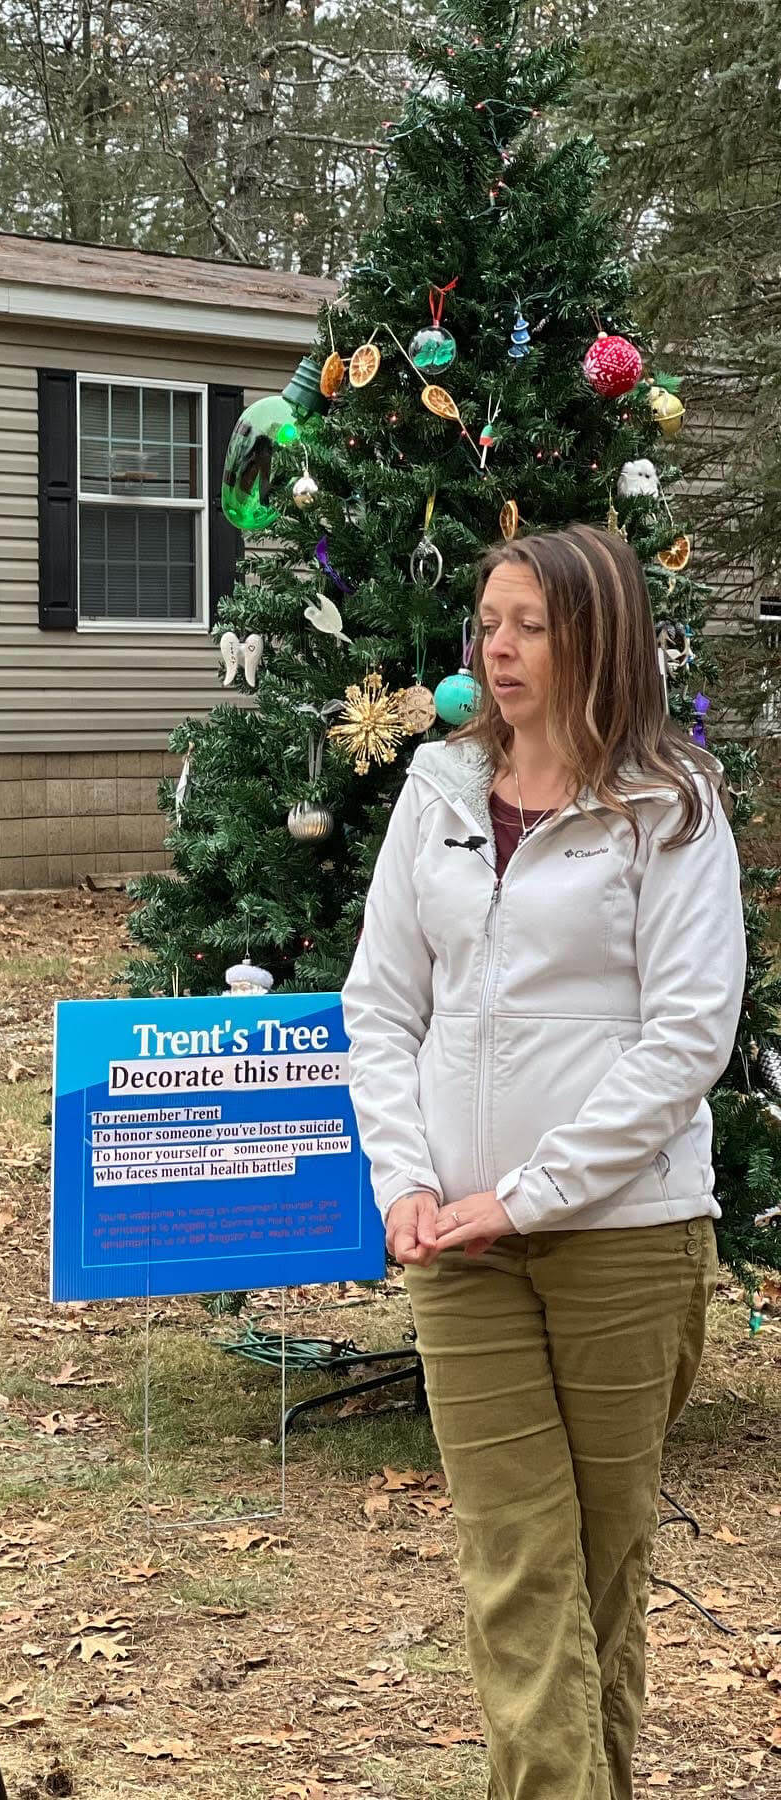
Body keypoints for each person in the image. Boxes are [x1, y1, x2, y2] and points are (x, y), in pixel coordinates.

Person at [342, 523, 745, 1800]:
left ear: (598, 640)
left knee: (606, 1562)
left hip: (626, 1237)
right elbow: (381, 1007)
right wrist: (407, 1184)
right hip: (456, 1245)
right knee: (517, 1558)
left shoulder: (674, 805)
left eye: (530, 626)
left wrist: (526, 1194)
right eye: (488, 623)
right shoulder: (438, 791)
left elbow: (688, 1037)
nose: (496, 650)